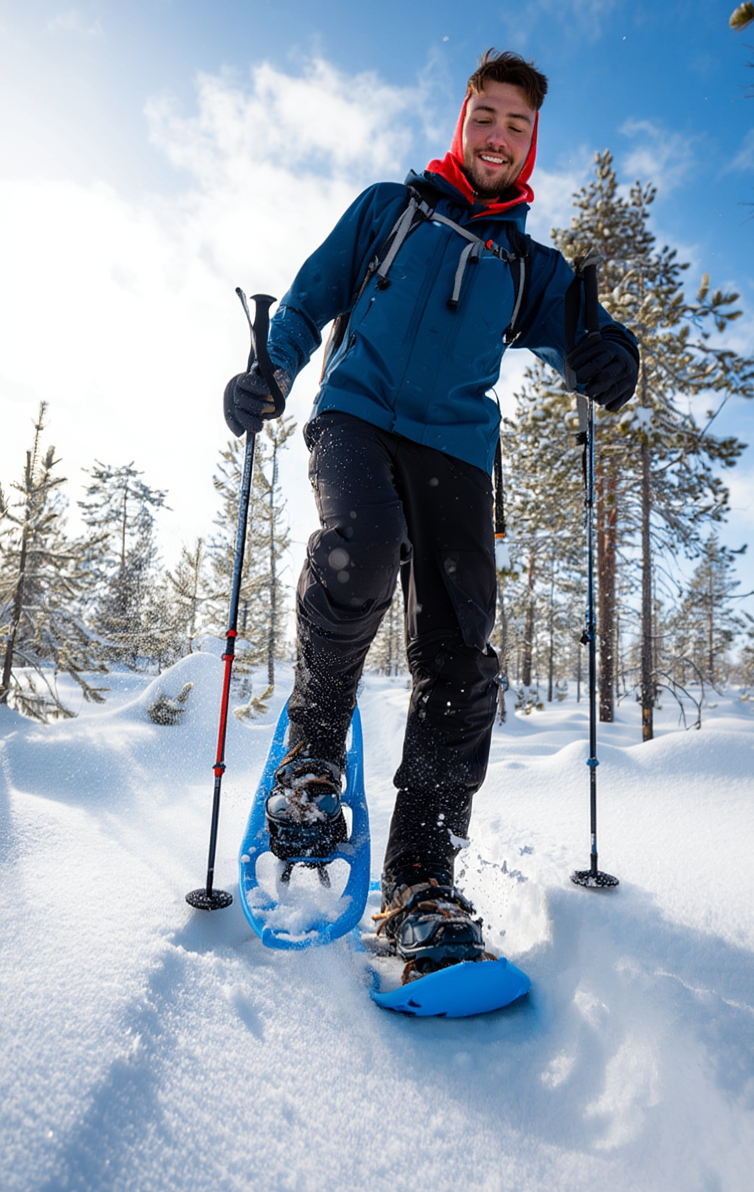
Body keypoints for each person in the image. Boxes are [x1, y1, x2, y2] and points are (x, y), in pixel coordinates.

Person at [224, 50, 639, 978]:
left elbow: (588, 338)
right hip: (356, 417)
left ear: (532, 146)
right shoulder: (389, 210)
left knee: (463, 652)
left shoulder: (527, 266)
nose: (499, 136)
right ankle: (312, 763)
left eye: (517, 126)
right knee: (358, 553)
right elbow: (313, 295)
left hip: (456, 450)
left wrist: (614, 358)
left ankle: (421, 873)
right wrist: (270, 371)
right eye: (487, 117)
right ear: (463, 123)